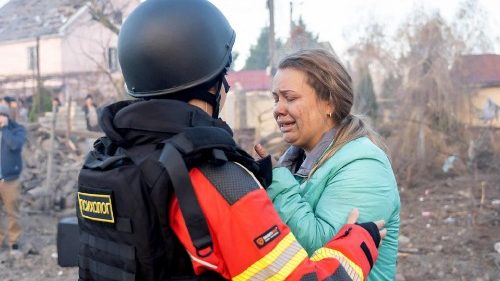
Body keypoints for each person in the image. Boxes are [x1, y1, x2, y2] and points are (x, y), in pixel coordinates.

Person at [78, 1, 386, 280]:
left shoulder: (107, 161)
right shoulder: (217, 179)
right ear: (211, 85)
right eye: (223, 75)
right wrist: (356, 245)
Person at [255, 49, 400, 280]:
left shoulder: (364, 166)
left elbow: (326, 257)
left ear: (329, 102)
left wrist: (276, 181)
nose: (277, 109)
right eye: (276, 99)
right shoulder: (296, 162)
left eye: (290, 98)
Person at [0, 104, 26, 254]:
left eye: (2, 115)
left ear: (7, 117)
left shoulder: (17, 130)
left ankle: (14, 242)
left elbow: (15, 145)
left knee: (12, 212)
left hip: (10, 180)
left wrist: (5, 129)